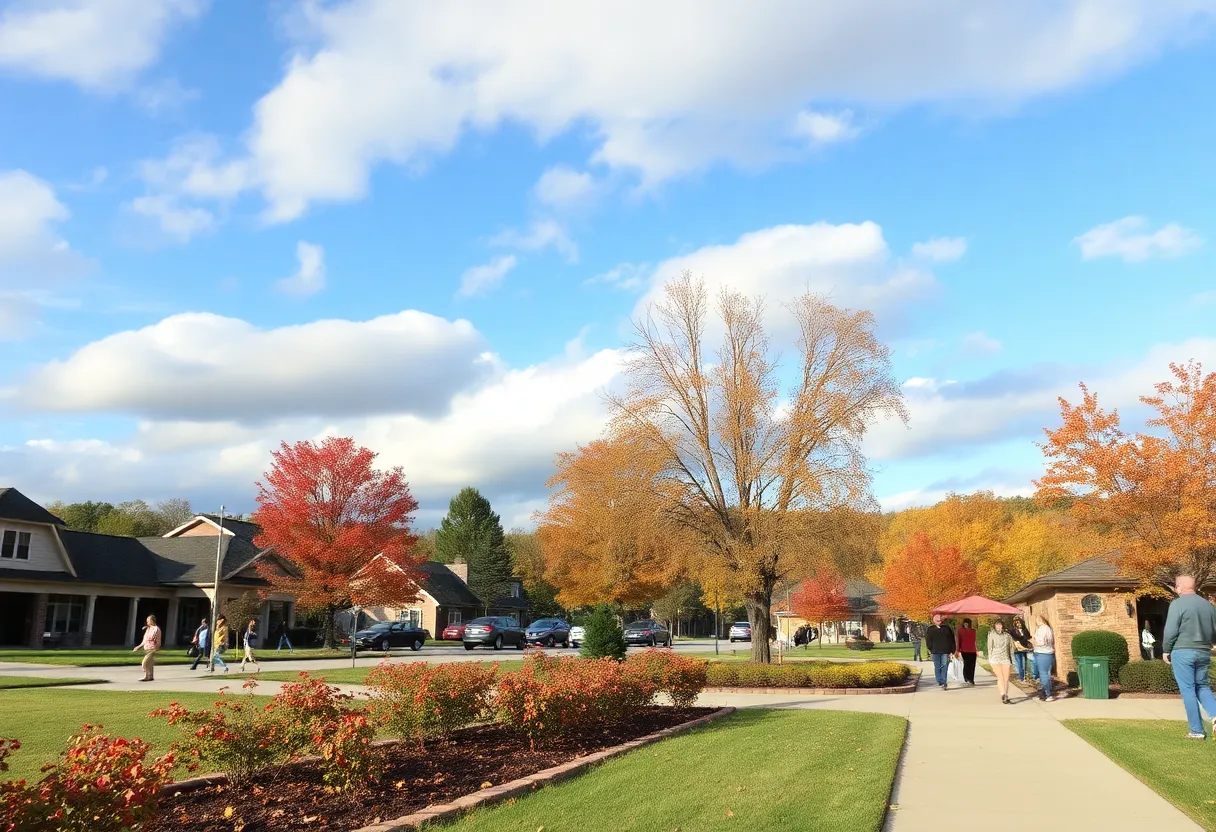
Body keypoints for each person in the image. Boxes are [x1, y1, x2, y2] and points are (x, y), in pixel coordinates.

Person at [1162, 574, 1216, 740]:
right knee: (1202, 686)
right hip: (1203, 651)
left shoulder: (1177, 604)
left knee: (1188, 691)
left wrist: (1166, 650)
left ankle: (1197, 731)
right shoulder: (1208, 606)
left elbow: (1171, 630)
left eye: (1176, 587)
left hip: (1182, 651)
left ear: (1180, 587)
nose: (1175, 590)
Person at [987, 619, 1016, 704]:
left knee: (1006, 678)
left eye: (1000, 625)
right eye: (997, 625)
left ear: (1002, 626)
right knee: (1000, 677)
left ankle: (1005, 694)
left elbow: (1011, 648)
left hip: (1005, 658)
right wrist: (990, 658)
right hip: (995, 658)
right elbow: (989, 647)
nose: (999, 626)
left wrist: (1012, 660)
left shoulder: (1007, 636)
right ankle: (1003, 694)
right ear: (995, 626)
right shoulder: (991, 634)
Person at [925, 613, 956, 690]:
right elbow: (928, 641)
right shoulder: (930, 629)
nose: (939, 622)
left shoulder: (947, 628)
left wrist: (952, 651)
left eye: (940, 620)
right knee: (937, 667)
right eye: (937, 621)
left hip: (945, 651)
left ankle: (944, 683)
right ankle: (940, 680)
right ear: (934, 621)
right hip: (935, 651)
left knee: (944, 666)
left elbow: (951, 640)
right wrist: (931, 649)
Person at [1032, 614, 1056, 701]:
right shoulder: (1046, 628)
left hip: (1043, 653)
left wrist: (1033, 643)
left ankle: (1048, 694)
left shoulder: (1043, 629)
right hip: (1045, 653)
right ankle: (1045, 693)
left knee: (1044, 674)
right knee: (1045, 674)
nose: (1036, 621)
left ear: (1041, 620)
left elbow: (1042, 642)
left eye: (1037, 619)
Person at [133, 614, 161, 682]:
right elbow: (144, 640)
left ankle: (147, 675)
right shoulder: (148, 629)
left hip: (152, 648)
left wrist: (156, 648)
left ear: (152, 621)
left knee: (144, 663)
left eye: (148, 621)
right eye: (147, 621)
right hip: (147, 648)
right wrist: (138, 647)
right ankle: (148, 677)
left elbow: (158, 640)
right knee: (149, 664)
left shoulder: (156, 629)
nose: (147, 622)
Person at [1010, 616, 1034, 682]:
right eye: (1017, 623)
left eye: (1020, 623)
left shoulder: (1025, 630)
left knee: (1025, 663)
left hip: (1025, 649)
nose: (1019, 624)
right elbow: (1013, 639)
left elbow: (1028, 637)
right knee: (1019, 664)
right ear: (1015, 624)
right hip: (1017, 649)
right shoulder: (1012, 631)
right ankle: (1022, 678)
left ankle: (1026, 676)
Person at [957, 618, 978, 685]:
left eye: (967, 623)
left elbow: (975, 641)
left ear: (969, 624)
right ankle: (966, 677)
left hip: (972, 650)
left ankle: (971, 679)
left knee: (972, 665)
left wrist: (977, 649)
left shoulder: (973, 631)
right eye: (965, 623)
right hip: (964, 650)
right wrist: (958, 650)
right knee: (966, 664)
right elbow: (959, 641)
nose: (966, 624)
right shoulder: (960, 631)